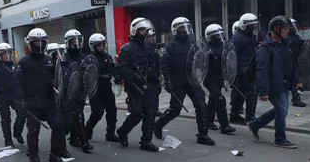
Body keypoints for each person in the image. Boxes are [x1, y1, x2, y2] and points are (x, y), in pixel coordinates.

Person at [154, 17, 215, 146]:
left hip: (192, 80)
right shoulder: (170, 46)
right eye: (181, 28)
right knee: (175, 109)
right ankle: (158, 125)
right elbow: (165, 65)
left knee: (201, 105)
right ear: (175, 30)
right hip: (178, 81)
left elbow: (199, 60)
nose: (184, 30)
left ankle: (203, 135)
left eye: (186, 27)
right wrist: (167, 81)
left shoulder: (192, 43)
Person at [15, 28, 67, 162]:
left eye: (41, 42)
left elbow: (58, 79)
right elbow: (17, 83)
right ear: (30, 43)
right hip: (32, 102)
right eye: (35, 42)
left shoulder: (50, 60)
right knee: (33, 131)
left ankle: (55, 155)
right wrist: (20, 100)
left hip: (49, 101)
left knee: (59, 125)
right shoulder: (23, 62)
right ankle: (34, 156)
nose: (38, 44)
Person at [247, 16, 301, 148]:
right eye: (285, 29)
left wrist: (297, 80)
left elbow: (291, 66)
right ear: (276, 29)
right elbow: (261, 71)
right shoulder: (265, 49)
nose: (288, 31)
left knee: (281, 109)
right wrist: (263, 91)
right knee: (282, 110)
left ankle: (255, 124)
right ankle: (280, 139)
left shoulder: (284, 46)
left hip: (283, 84)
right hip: (273, 85)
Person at [116, 18, 161, 152]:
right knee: (136, 114)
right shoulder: (126, 49)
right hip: (134, 87)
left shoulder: (149, 48)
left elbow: (154, 67)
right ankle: (122, 132)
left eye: (145, 31)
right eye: (142, 30)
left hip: (149, 86)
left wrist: (156, 82)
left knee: (150, 113)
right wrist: (134, 76)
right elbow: (121, 68)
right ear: (135, 31)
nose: (144, 33)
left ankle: (146, 141)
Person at [59, 29, 93, 153]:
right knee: (77, 116)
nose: (76, 43)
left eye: (78, 40)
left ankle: (74, 138)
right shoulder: (64, 57)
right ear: (68, 42)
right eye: (74, 40)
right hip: (68, 92)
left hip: (80, 91)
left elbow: (88, 72)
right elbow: (61, 75)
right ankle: (84, 142)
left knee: (77, 115)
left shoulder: (83, 56)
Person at [84, 33, 120, 142]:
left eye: (102, 44)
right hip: (95, 90)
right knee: (97, 112)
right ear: (93, 46)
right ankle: (88, 129)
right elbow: (87, 75)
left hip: (107, 88)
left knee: (112, 110)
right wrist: (98, 76)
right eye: (98, 45)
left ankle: (110, 133)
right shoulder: (89, 59)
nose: (101, 47)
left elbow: (113, 68)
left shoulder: (107, 57)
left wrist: (117, 76)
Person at [0, 43, 26, 147]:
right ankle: (8, 140)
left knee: (22, 113)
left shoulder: (15, 66)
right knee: (5, 119)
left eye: (8, 53)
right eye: (4, 53)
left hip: (14, 95)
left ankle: (17, 133)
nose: (7, 55)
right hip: (2, 97)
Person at [203, 24, 236, 135]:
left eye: (220, 35)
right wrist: (208, 56)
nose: (219, 37)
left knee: (213, 99)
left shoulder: (223, 47)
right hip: (210, 79)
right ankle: (224, 126)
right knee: (220, 99)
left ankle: (208, 121)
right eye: (216, 35)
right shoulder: (207, 49)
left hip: (219, 78)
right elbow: (201, 66)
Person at [228, 13, 261, 124]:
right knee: (251, 92)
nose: (253, 28)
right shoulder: (237, 38)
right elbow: (229, 55)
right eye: (251, 26)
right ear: (243, 25)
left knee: (240, 94)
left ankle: (235, 115)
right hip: (241, 70)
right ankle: (249, 116)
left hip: (249, 69)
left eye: (254, 25)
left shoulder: (250, 37)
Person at [287, 18, 307, 107]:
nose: (294, 28)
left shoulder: (295, 36)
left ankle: (296, 98)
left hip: (296, 61)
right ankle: (296, 99)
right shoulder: (287, 38)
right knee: (296, 81)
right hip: (291, 62)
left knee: (296, 80)